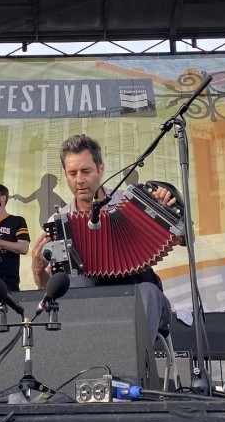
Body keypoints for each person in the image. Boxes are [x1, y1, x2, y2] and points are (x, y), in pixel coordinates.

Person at [29, 134, 174, 344]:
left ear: (101, 169)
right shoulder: (58, 223)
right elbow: (48, 288)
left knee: (148, 291)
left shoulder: (133, 202)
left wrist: (166, 207)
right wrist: (37, 270)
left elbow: (187, 238)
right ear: (65, 175)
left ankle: (137, 371)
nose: (79, 180)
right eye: (72, 173)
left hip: (141, 295)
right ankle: (83, 363)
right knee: (74, 283)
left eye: (86, 171)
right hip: (94, 309)